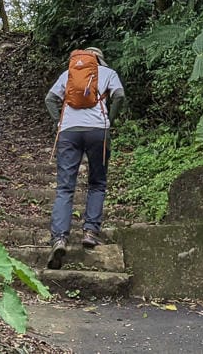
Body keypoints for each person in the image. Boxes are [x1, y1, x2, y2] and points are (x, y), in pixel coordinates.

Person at [44, 46, 126, 270]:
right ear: (100, 59)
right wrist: (111, 119)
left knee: (64, 188)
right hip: (98, 131)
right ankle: (90, 232)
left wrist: (59, 122)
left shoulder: (68, 74)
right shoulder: (108, 74)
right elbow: (119, 96)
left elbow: (50, 99)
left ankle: (59, 238)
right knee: (97, 182)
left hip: (69, 132)